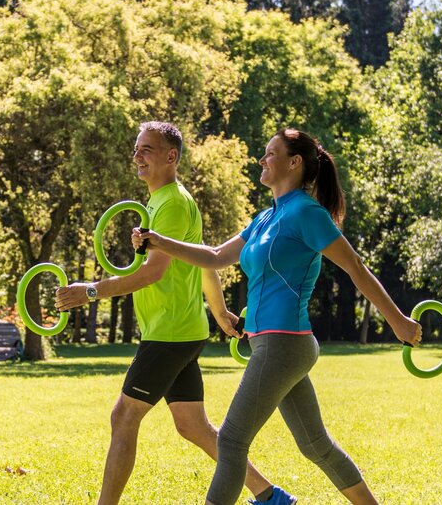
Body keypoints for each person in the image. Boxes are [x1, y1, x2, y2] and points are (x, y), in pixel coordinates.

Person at [132, 128, 422, 505]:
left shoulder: (307, 213)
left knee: (232, 439)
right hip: (271, 344)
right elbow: (217, 255)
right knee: (315, 444)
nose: (262, 160)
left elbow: (355, 268)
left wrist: (397, 319)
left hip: (284, 343)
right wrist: (158, 241)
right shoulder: (266, 217)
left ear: (294, 163)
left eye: (270, 154)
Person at [55, 122, 291, 505]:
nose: (137, 156)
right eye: (135, 149)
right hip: (179, 329)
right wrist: (219, 312)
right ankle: (269, 495)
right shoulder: (161, 202)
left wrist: (92, 291)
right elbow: (202, 261)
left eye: (146, 149)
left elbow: (153, 272)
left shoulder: (173, 204)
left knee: (123, 417)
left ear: (171, 156)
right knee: (193, 426)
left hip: (170, 333)